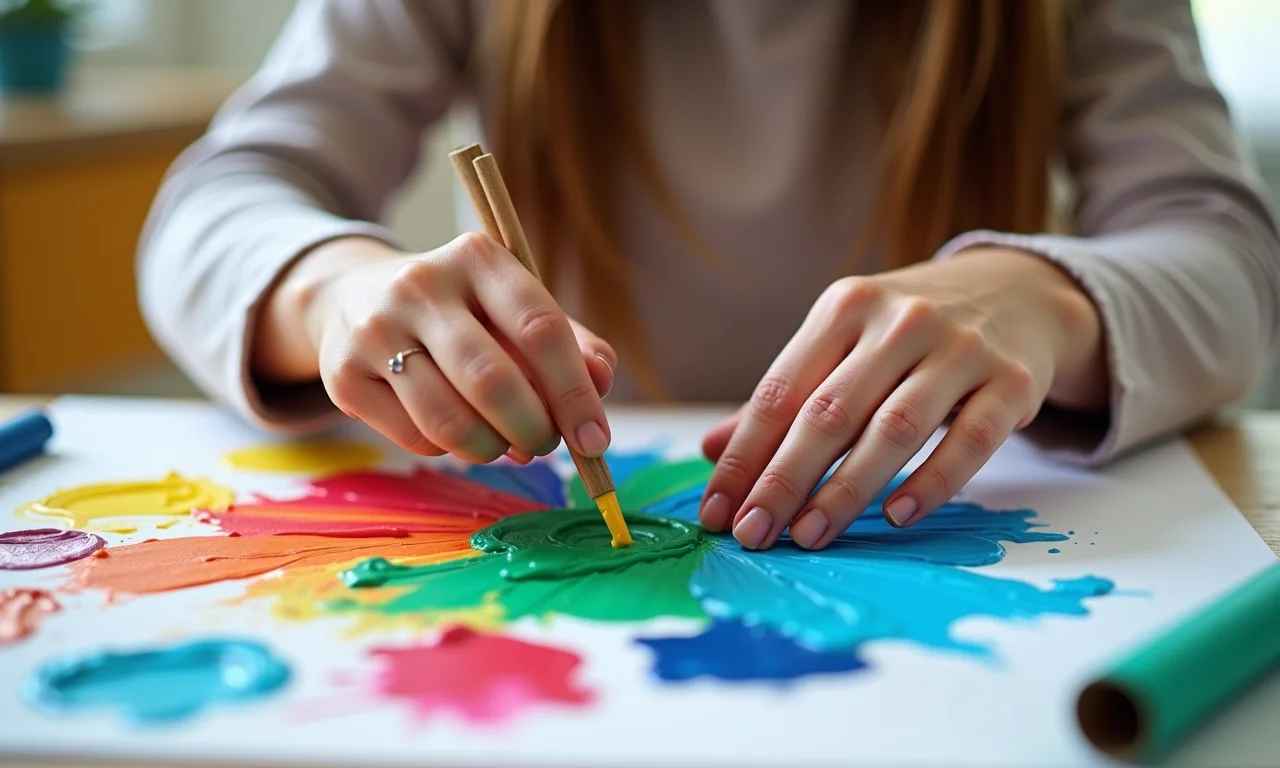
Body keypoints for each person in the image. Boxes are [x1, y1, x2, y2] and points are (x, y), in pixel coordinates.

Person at [138, 0, 1280, 553]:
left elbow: (1225, 253)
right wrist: (329, 287)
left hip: (942, 503)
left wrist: (1040, 299)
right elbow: (223, 196)